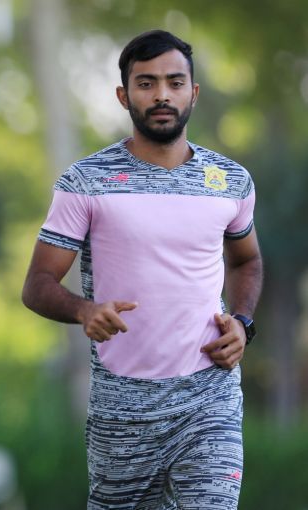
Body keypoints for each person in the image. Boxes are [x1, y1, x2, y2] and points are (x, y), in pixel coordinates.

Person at [22, 30, 262, 509]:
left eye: (175, 82)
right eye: (146, 83)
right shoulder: (86, 181)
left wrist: (243, 322)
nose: (162, 95)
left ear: (193, 92)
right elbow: (37, 285)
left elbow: (246, 260)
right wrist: (85, 310)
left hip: (209, 398)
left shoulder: (230, 181)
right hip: (122, 409)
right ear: (123, 95)